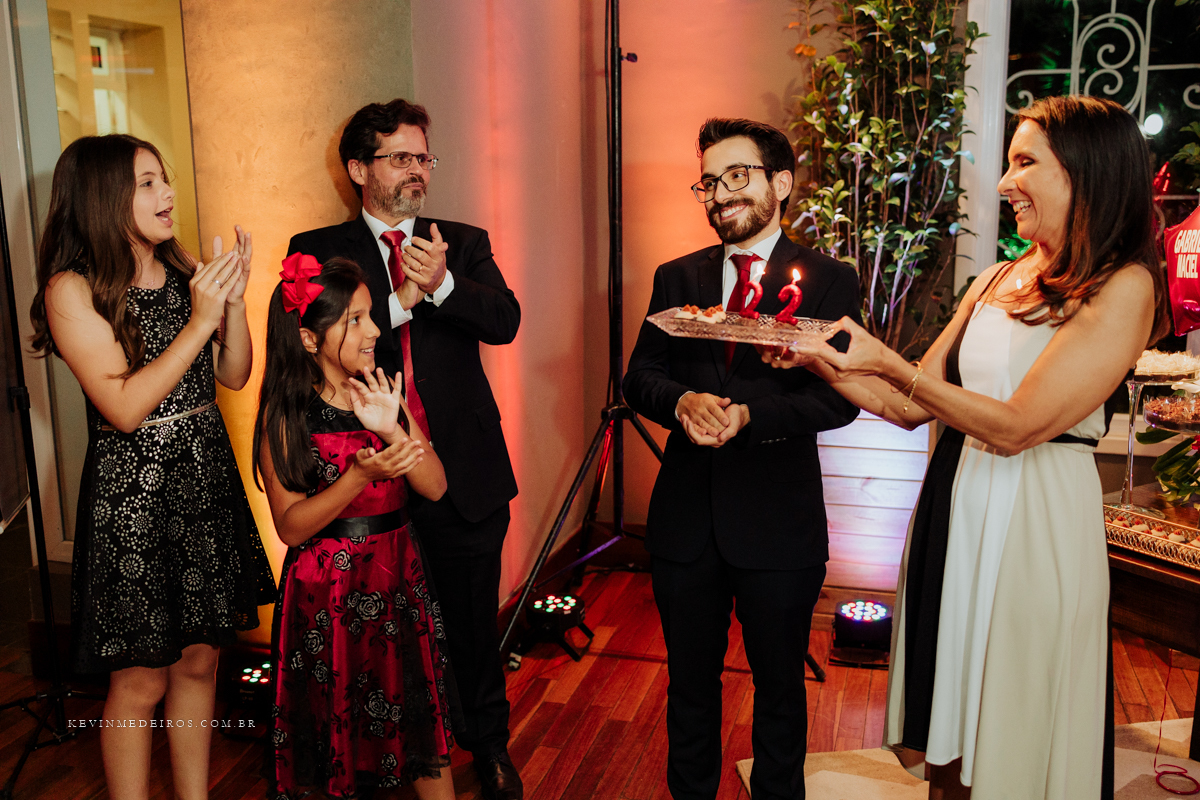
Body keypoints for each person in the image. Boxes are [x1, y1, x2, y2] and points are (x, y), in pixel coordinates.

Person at [764, 95, 1169, 799]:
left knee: (1017, 715)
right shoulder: (994, 278)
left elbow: (1015, 427)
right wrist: (815, 358)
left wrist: (888, 361)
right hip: (958, 505)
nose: (1006, 182)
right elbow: (906, 405)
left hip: (1036, 521)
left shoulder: (1123, 287)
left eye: (1024, 162)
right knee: (949, 723)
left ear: (1086, 172)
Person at [287, 99, 523, 800]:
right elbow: (321, 342)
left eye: (424, 157)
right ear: (360, 168)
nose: (417, 170)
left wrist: (444, 283)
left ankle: (489, 746)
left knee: (475, 626)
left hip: (465, 473)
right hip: (372, 483)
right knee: (386, 639)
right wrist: (404, 300)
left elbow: (504, 320)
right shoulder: (320, 248)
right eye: (400, 157)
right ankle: (387, 757)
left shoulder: (464, 240)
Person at [28, 134, 275, 799]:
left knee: (199, 662)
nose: (167, 194)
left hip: (203, 483)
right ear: (104, 195)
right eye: (147, 182)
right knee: (139, 679)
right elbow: (125, 407)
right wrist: (201, 320)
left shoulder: (184, 267)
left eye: (164, 178)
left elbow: (233, 372)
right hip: (133, 502)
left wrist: (235, 306)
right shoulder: (72, 289)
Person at [623, 118, 862, 800]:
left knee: (780, 688)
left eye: (737, 176)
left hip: (778, 524)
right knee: (689, 685)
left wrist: (752, 417)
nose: (720, 193)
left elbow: (839, 403)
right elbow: (640, 376)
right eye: (709, 180)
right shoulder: (677, 277)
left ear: (780, 183)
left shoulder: (828, 282)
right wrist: (682, 401)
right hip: (685, 523)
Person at [254, 256, 454, 800]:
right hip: (327, 593)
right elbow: (292, 528)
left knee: (418, 723)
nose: (373, 331)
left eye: (370, 316)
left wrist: (392, 431)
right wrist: (356, 478)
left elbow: (434, 486)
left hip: (397, 579)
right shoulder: (285, 413)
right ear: (310, 339)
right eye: (356, 321)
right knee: (333, 733)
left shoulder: (382, 391)